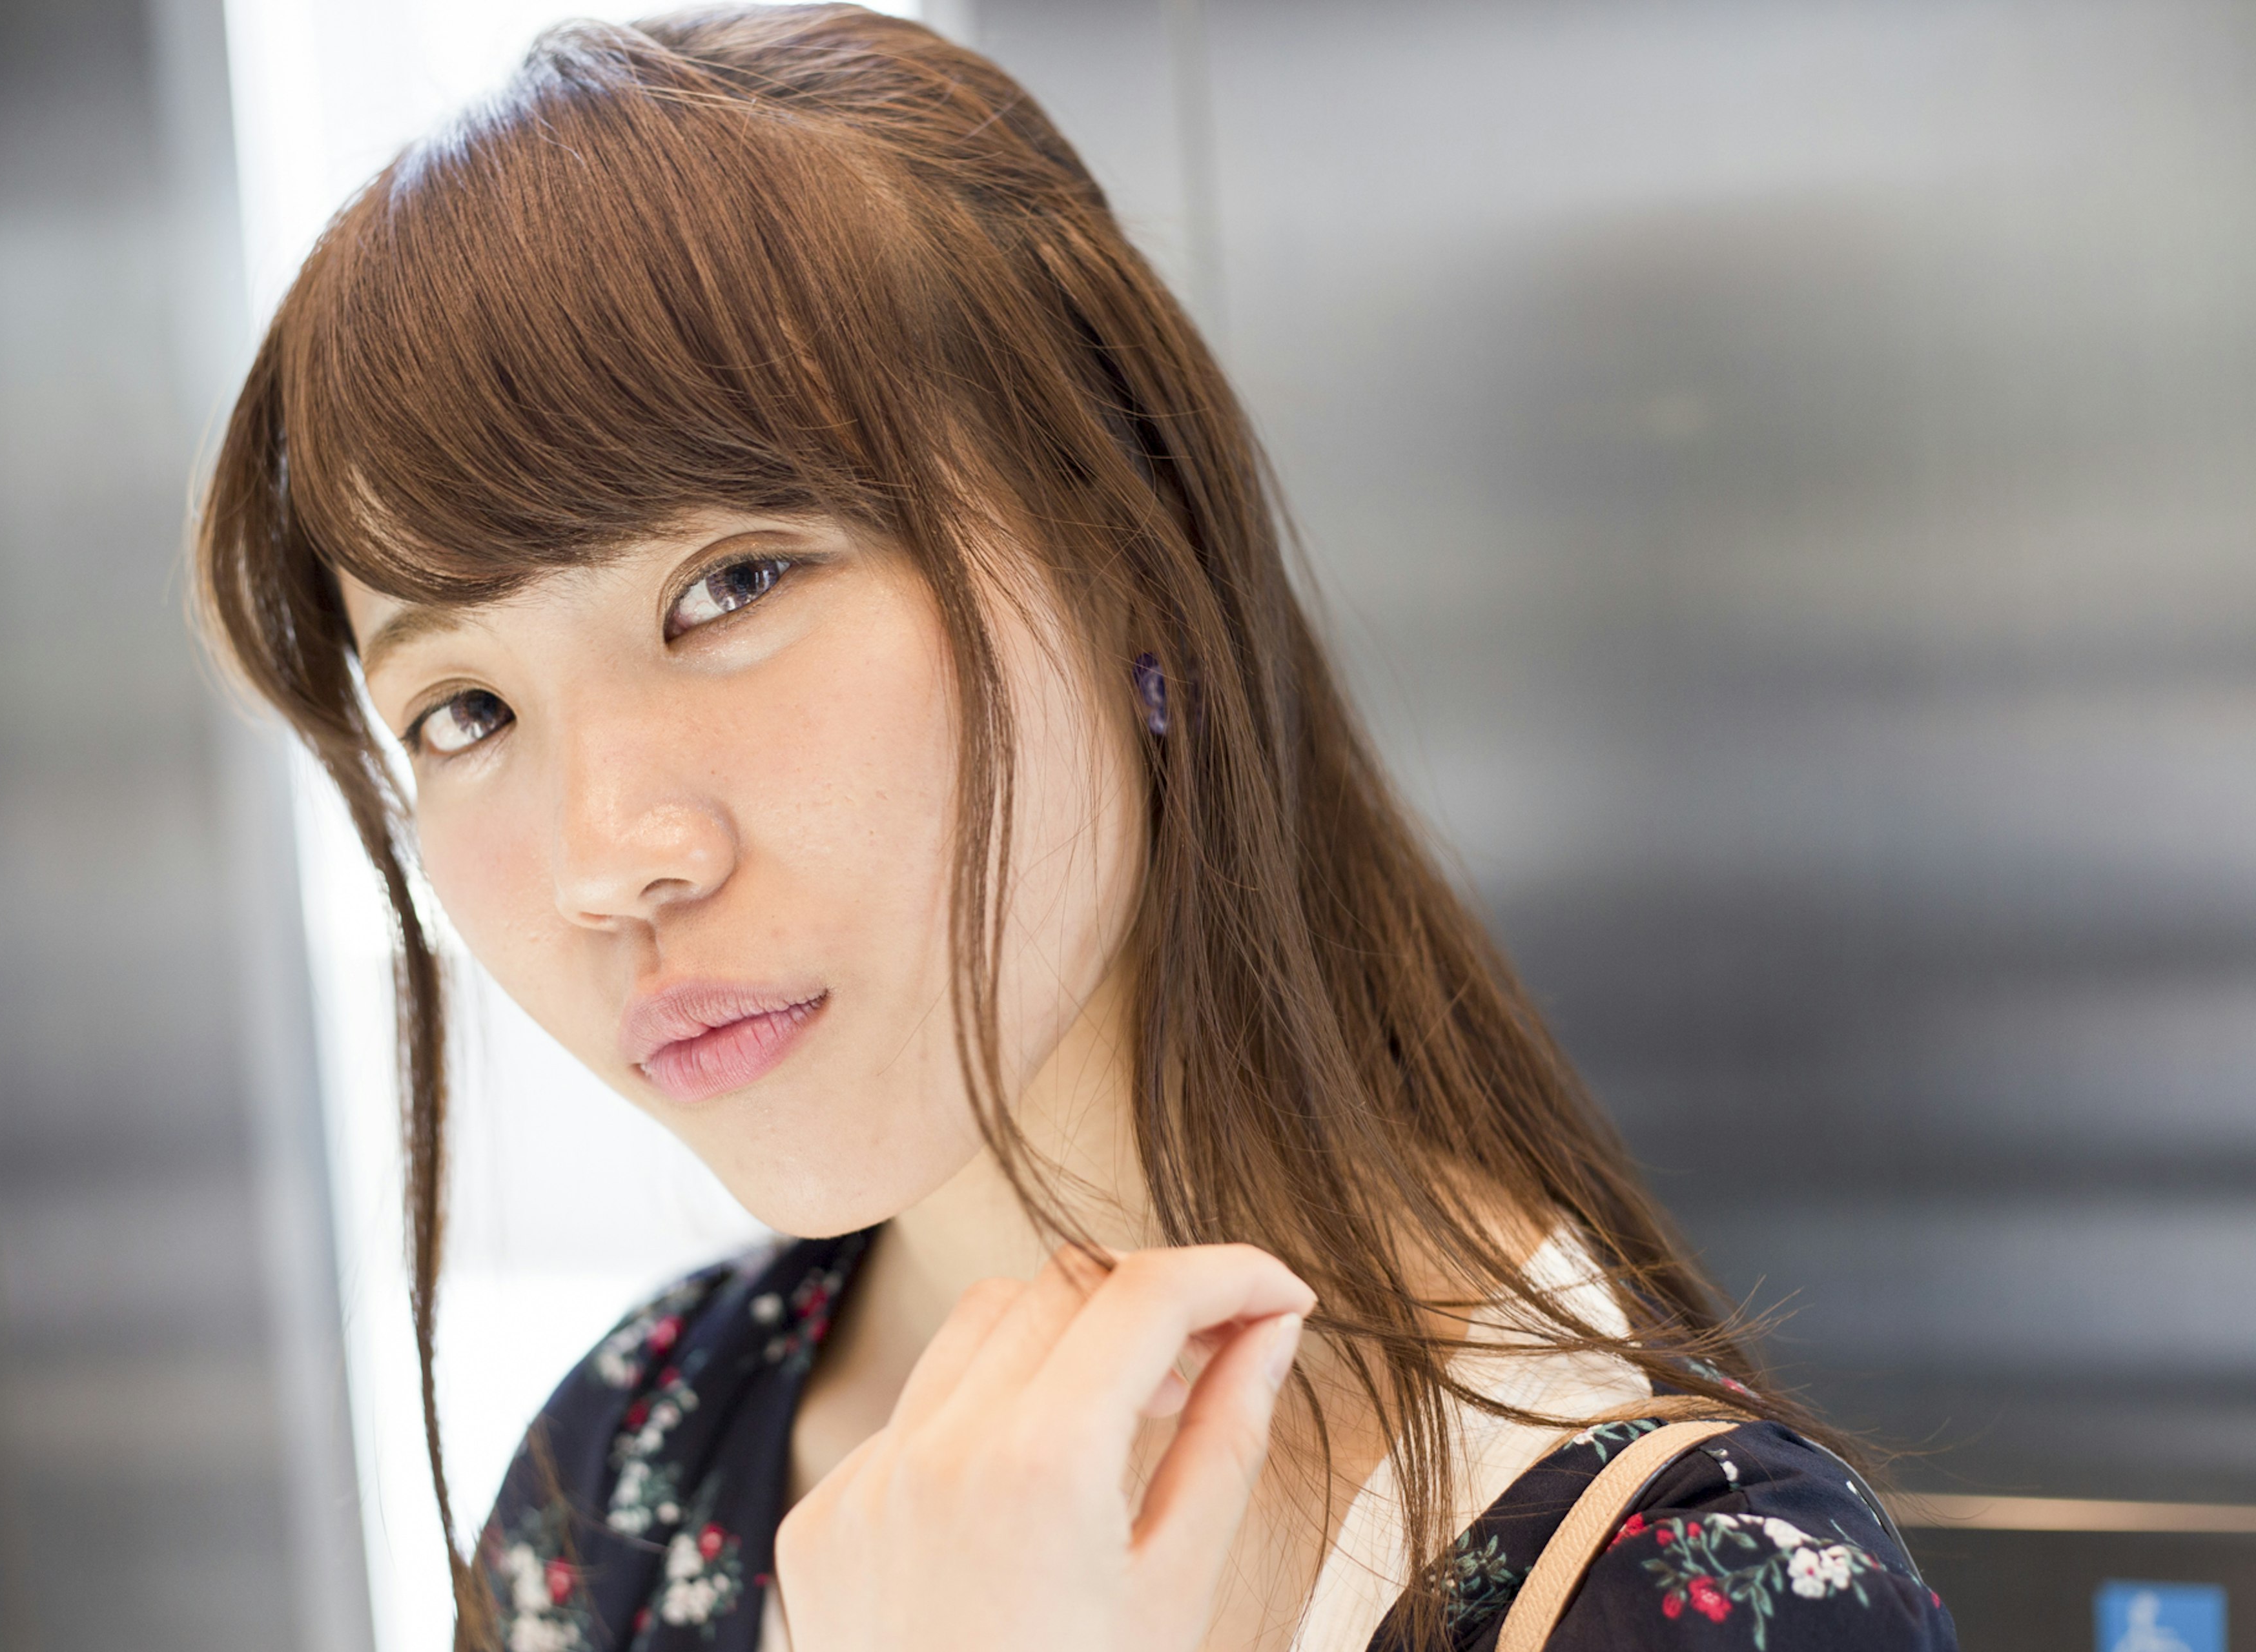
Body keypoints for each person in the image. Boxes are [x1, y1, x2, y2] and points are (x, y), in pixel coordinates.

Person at [196, 7, 1959, 1649]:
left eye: (733, 585)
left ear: (1131, 564)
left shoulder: (1683, 1591)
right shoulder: (620, 1481)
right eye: (466, 712)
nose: (610, 856)